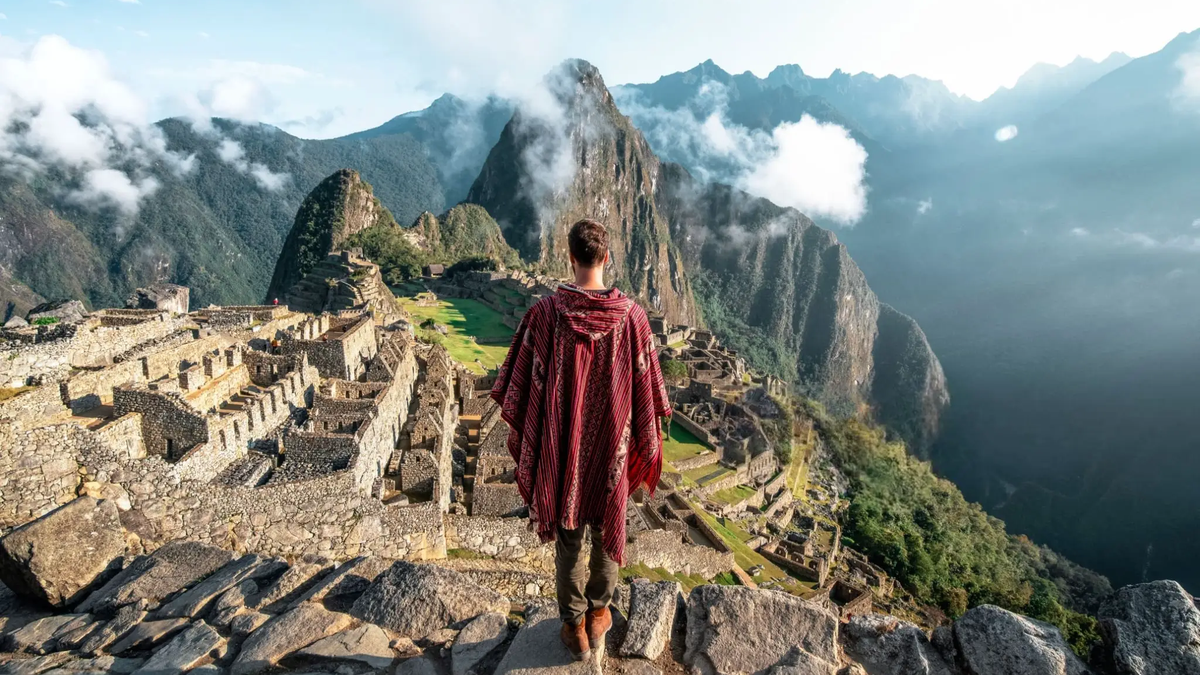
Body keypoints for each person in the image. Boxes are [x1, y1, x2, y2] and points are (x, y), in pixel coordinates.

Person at [490, 219, 670, 660]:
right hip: (613, 448)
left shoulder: (544, 315)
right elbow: (648, 393)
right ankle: (599, 612)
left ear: (569, 256)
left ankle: (574, 626)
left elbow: (517, 387)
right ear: (606, 258)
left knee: (569, 537)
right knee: (611, 525)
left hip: (561, 450)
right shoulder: (633, 320)